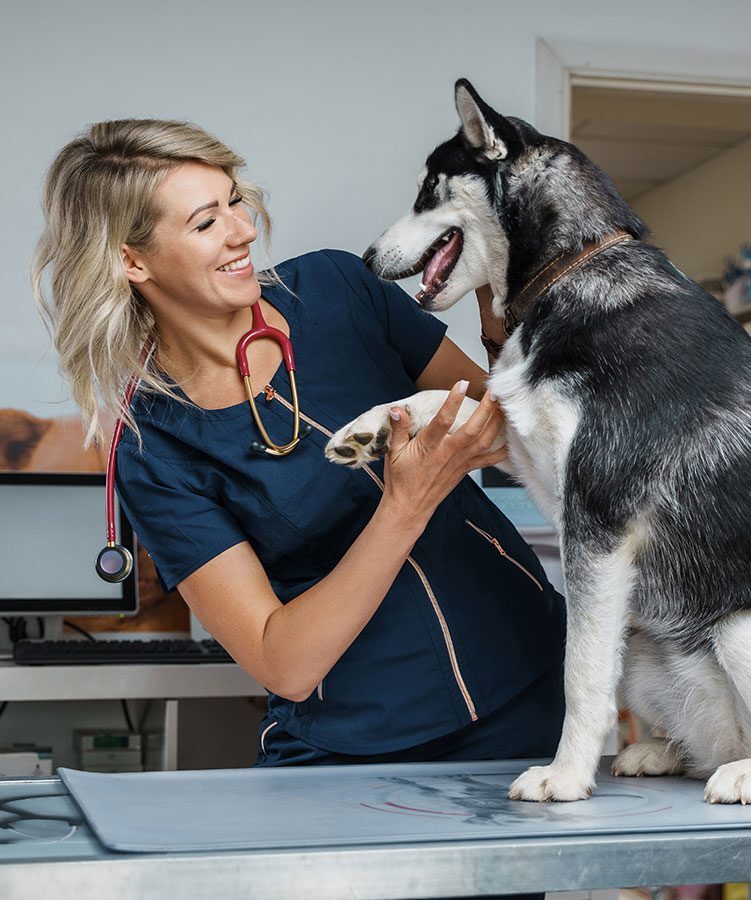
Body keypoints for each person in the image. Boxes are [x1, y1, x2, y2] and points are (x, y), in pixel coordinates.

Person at [32, 119, 566, 789]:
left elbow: (510, 430)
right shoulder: (154, 446)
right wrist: (404, 505)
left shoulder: (337, 289)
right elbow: (281, 661)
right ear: (132, 261)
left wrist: (498, 305)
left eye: (235, 200)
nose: (243, 231)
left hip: (528, 678)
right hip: (361, 745)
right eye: (205, 222)